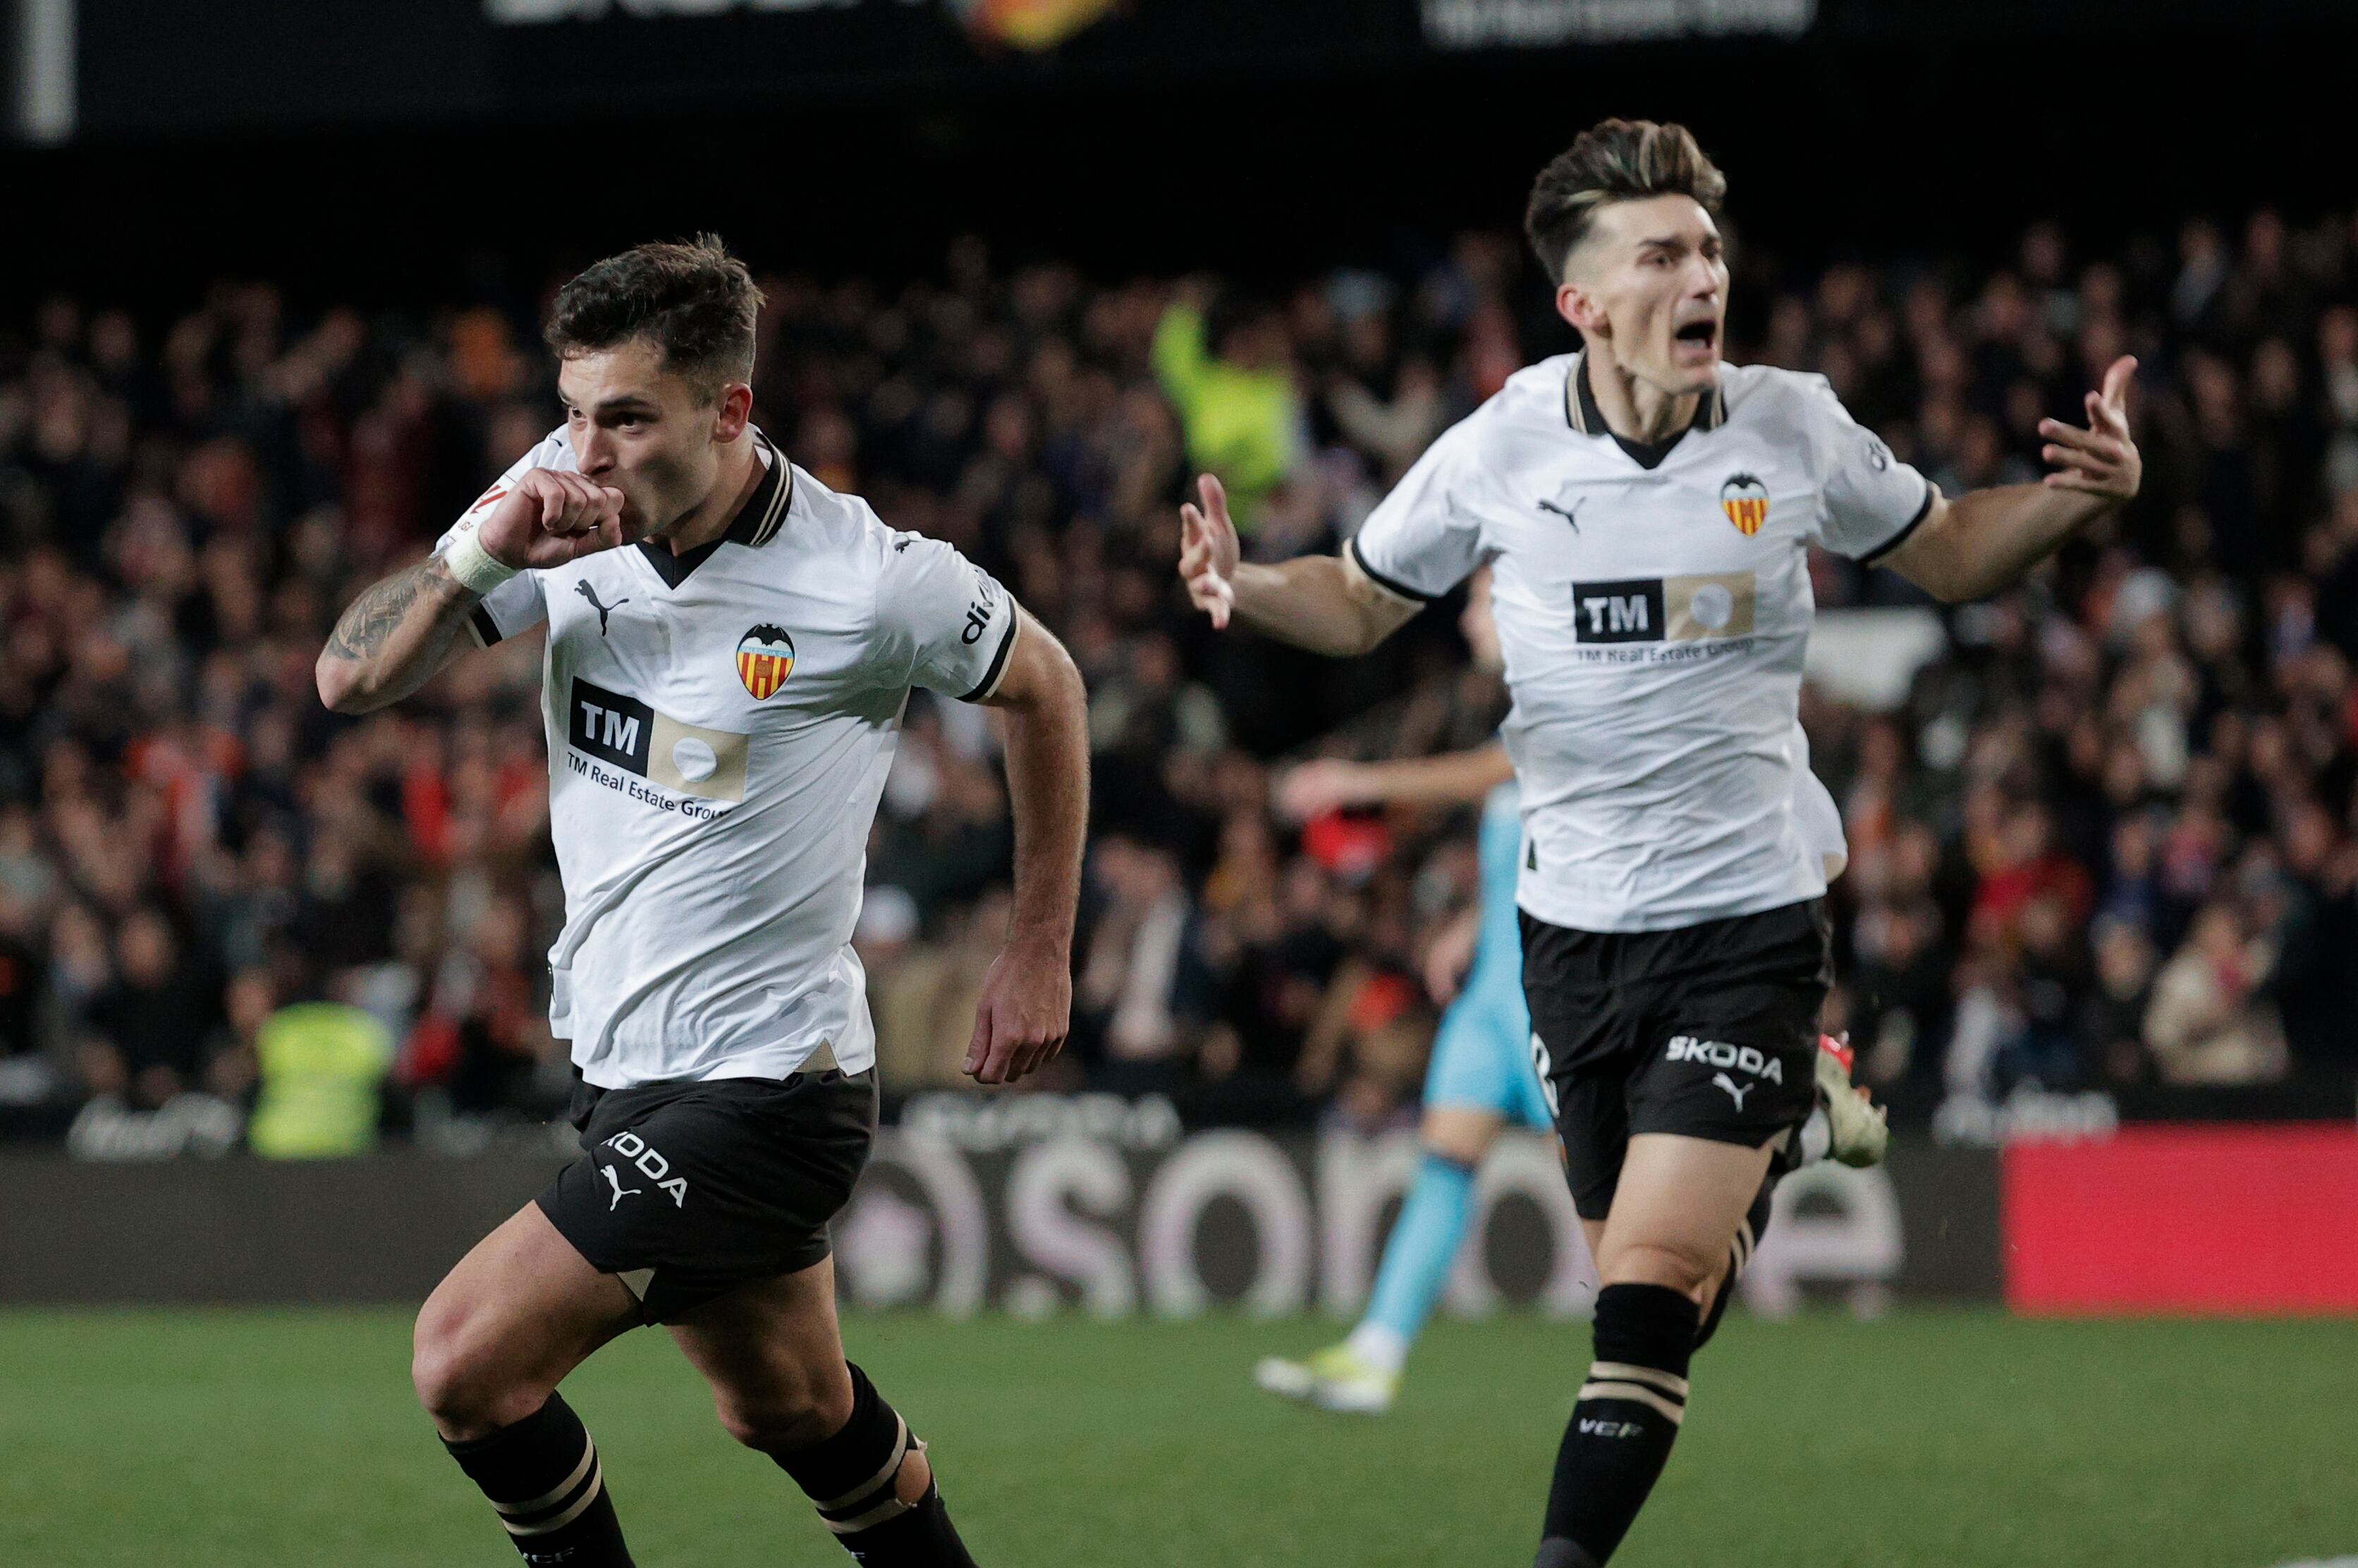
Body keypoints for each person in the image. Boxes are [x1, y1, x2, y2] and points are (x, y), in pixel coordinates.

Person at [1177, 120, 2139, 1567]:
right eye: (1662, 253)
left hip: (1749, 913)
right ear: (1583, 301)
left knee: (1640, 1295)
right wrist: (1242, 582)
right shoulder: (1501, 446)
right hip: (1570, 936)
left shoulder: (1790, 423)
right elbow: (1362, 597)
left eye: (1707, 247)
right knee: (1645, 1288)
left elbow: (1944, 546)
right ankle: (1791, 1122)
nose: (1705, 275)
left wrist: (2075, 498)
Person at [317, 237, 1089, 1568]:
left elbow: (1050, 686)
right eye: (571, 411)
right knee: (789, 1406)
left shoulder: (868, 579)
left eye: (624, 416)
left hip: (769, 1086)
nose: (587, 447)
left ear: (729, 410)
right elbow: (348, 680)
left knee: (464, 1361)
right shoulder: (547, 508)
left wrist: (1035, 950)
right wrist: (484, 557)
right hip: (625, 1062)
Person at [1252, 570, 1884, 1416]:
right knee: (1443, 1158)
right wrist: (1474, 923)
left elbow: (1491, 775)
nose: (1469, 618)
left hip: (1564, 996)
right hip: (1489, 996)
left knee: (1632, 1237)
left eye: (1479, 602)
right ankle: (1375, 1351)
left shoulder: (1575, 694)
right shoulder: (1525, 705)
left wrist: (1355, 782)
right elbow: (1536, 840)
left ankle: (1786, 1130)